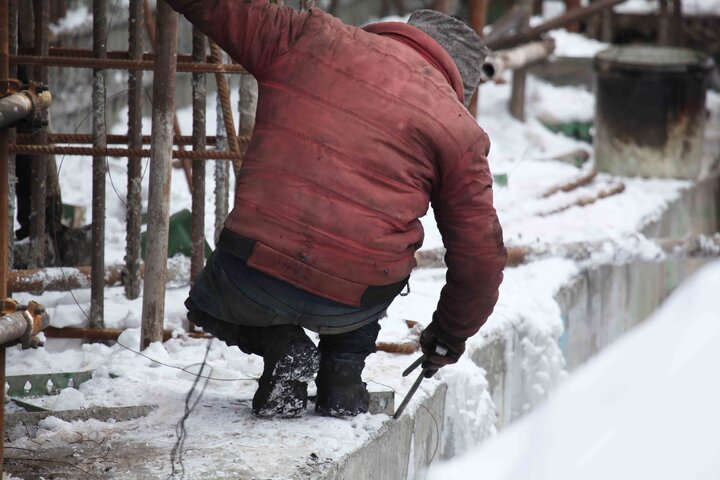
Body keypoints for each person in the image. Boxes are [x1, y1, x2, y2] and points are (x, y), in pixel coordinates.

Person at [166, 0, 507, 418]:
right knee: (372, 258)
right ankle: (342, 375)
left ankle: (283, 347)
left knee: (206, 302)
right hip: (355, 299)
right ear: (461, 84)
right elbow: (481, 258)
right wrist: (448, 336)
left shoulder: (309, 38)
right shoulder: (459, 130)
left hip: (253, 273)